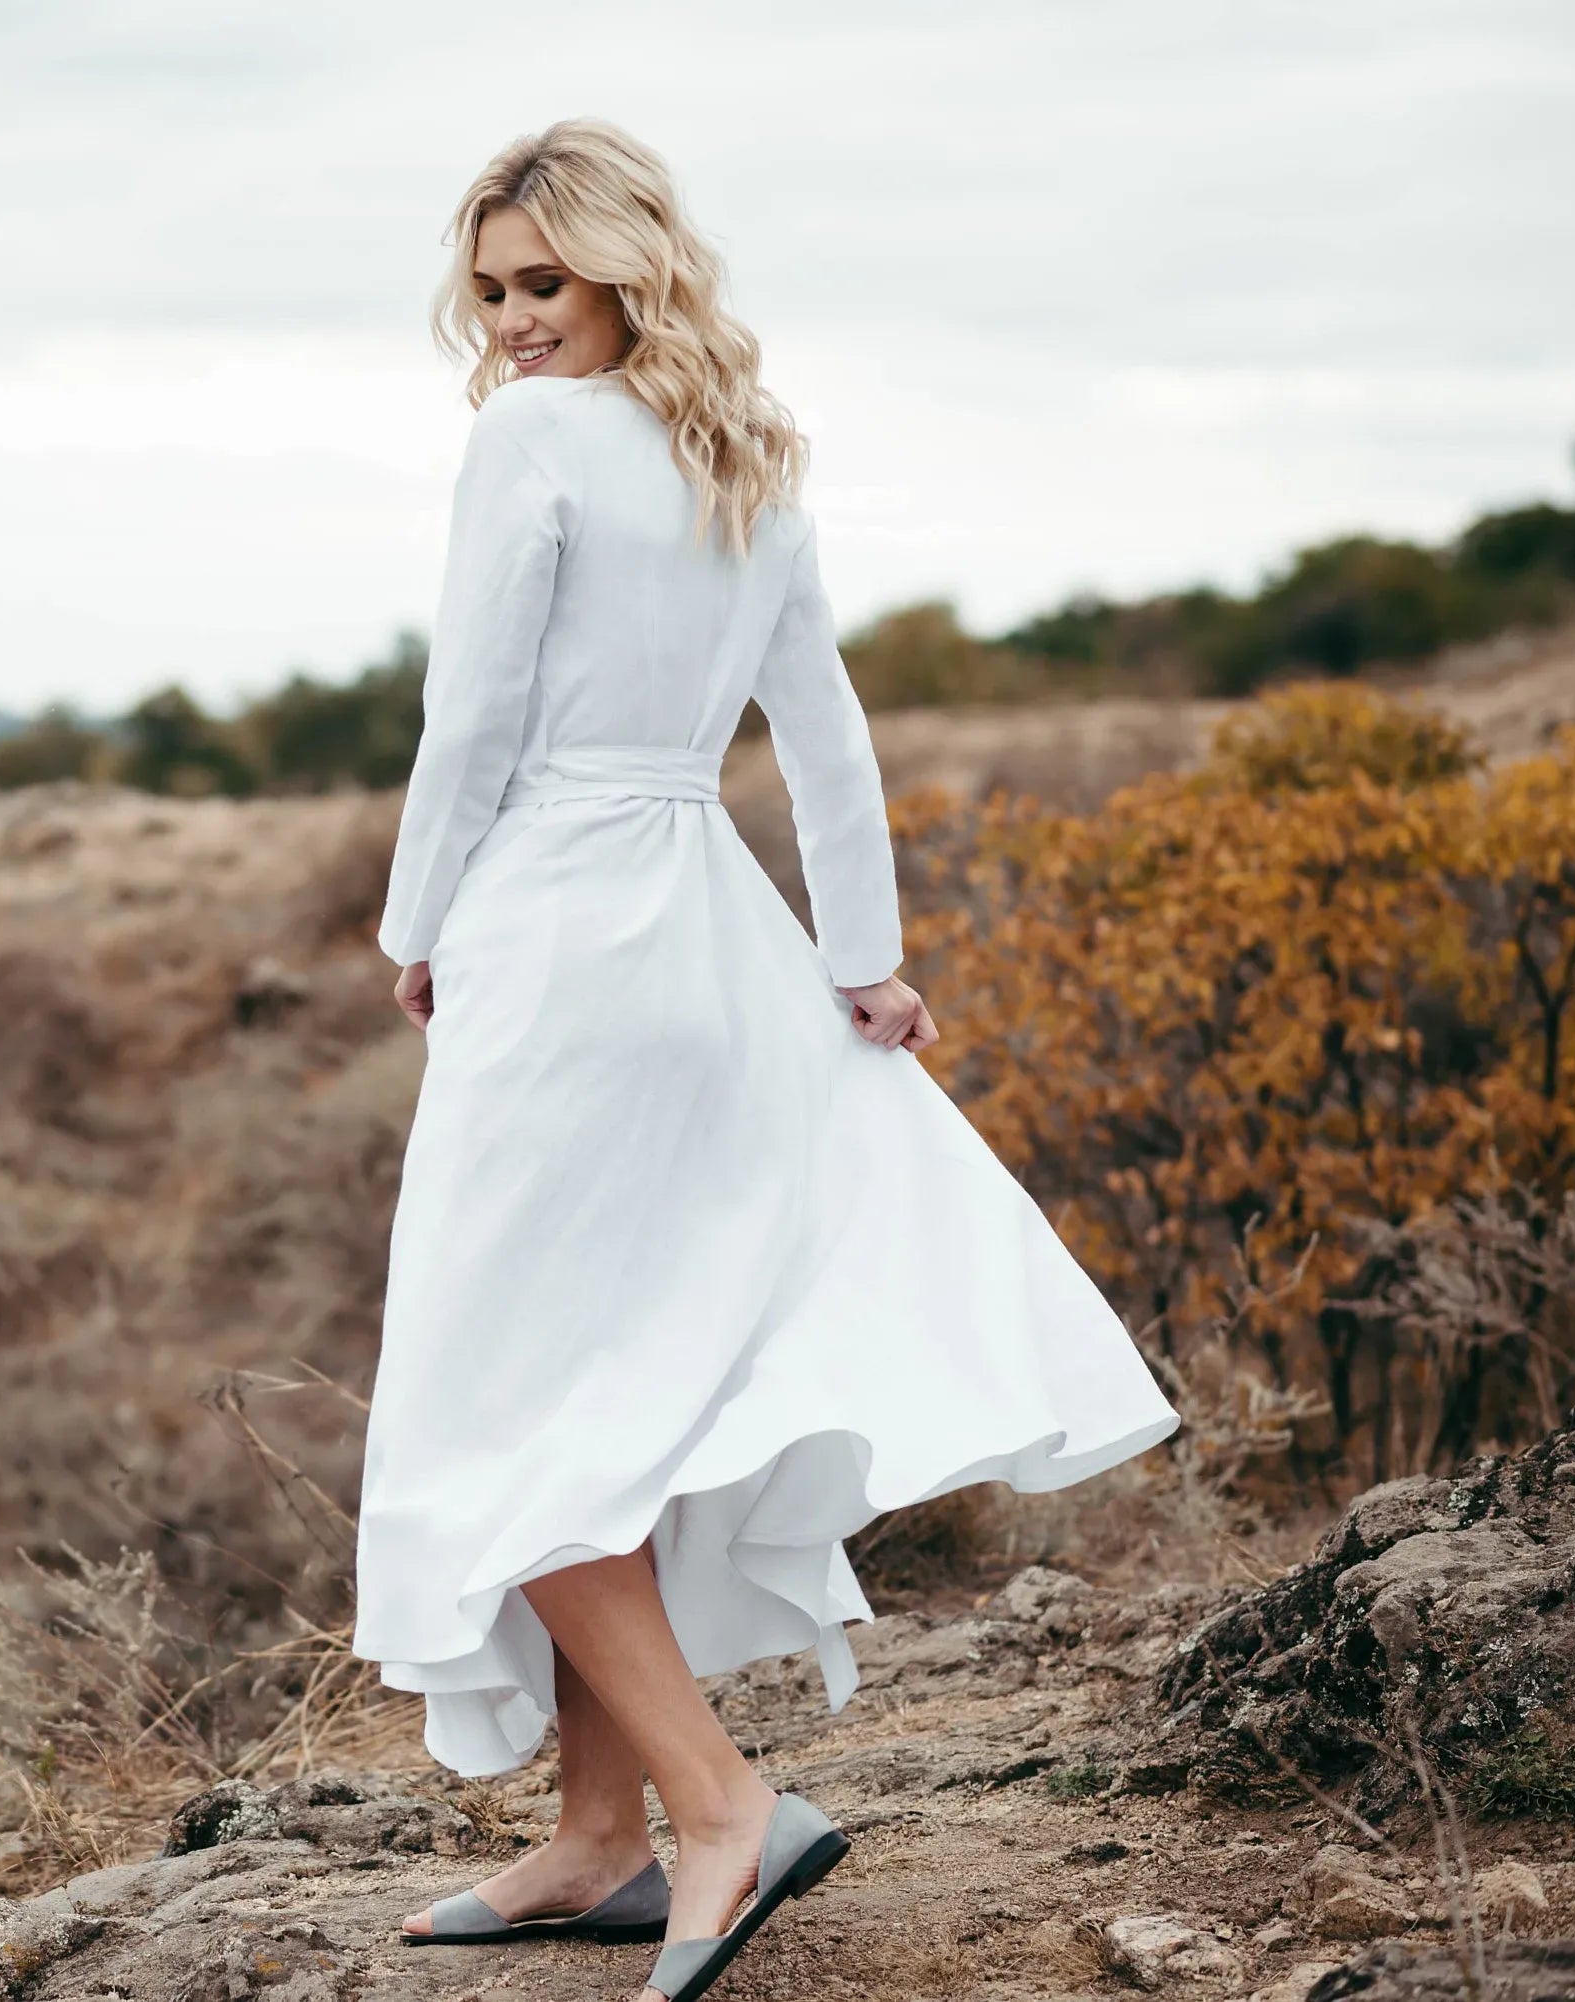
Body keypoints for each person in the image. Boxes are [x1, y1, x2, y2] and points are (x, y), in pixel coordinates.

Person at [356, 119, 1181, 2002]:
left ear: (628, 271)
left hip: (560, 928)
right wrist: (866, 964)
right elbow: (826, 738)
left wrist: (414, 924)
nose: (509, 324)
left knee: (502, 1412)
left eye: (541, 285)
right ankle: (592, 1839)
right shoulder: (747, 455)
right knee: (603, 1383)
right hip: (712, 935)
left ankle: (723, 1806)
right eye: (487, 292)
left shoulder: (530, 444)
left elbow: (467, 719)